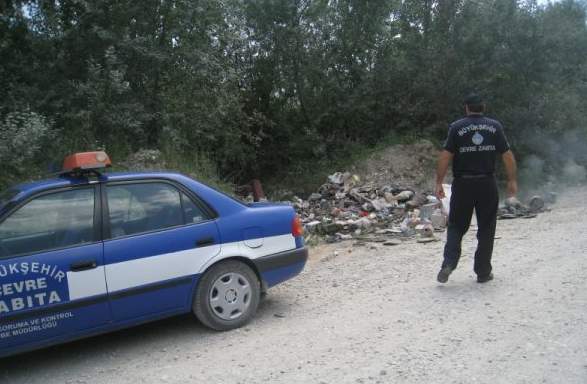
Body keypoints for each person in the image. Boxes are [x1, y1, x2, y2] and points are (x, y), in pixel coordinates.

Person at [435, 93, 518, 283]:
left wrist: (439, 182)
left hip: (463, 184)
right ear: (483, 107)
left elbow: (445, 156)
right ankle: (482, 272)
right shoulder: (494, 126)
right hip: (486, 183)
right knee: (487, 227)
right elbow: (507, 155)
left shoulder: (456, 127)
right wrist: (512, 180)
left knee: (456, 225)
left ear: (466, 108)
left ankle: (448, 263)